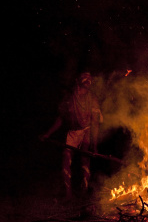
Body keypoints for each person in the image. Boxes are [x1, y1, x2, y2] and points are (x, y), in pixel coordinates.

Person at [40, 72, 102, 200]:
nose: (88, 81)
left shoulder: (92, 99)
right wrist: (48, 134)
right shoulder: (69, 99)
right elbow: (61, 119)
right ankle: (68, 194)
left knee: (85, 159)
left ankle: (84, 192)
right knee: (66, 159)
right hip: (72, 132)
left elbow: (95, 123)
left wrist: (94, 145)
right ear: (77, 81)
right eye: (85, 79)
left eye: (90, 79)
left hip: (86, 131)